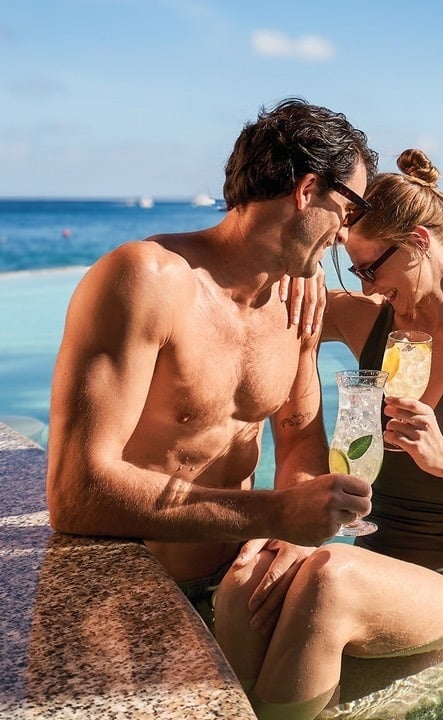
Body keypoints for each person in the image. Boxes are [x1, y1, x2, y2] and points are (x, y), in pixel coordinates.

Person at [215, 149, 443, 719]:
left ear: (420, 241)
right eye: (353, 271)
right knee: (244, 581)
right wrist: (297, 279)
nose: (367, 285)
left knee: (330, 576)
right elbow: (251, 314)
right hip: (378, 570)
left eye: (372, 268)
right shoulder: (369, 317)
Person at [44, 98, 380, 629]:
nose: (346, 233)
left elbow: (297, 443)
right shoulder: (147, 280)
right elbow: (75, 494)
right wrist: (276, 513)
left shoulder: (295, 299)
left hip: (237, 583)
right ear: (308, 189)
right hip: (131, 591)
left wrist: (290, 534)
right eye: (351, 209)